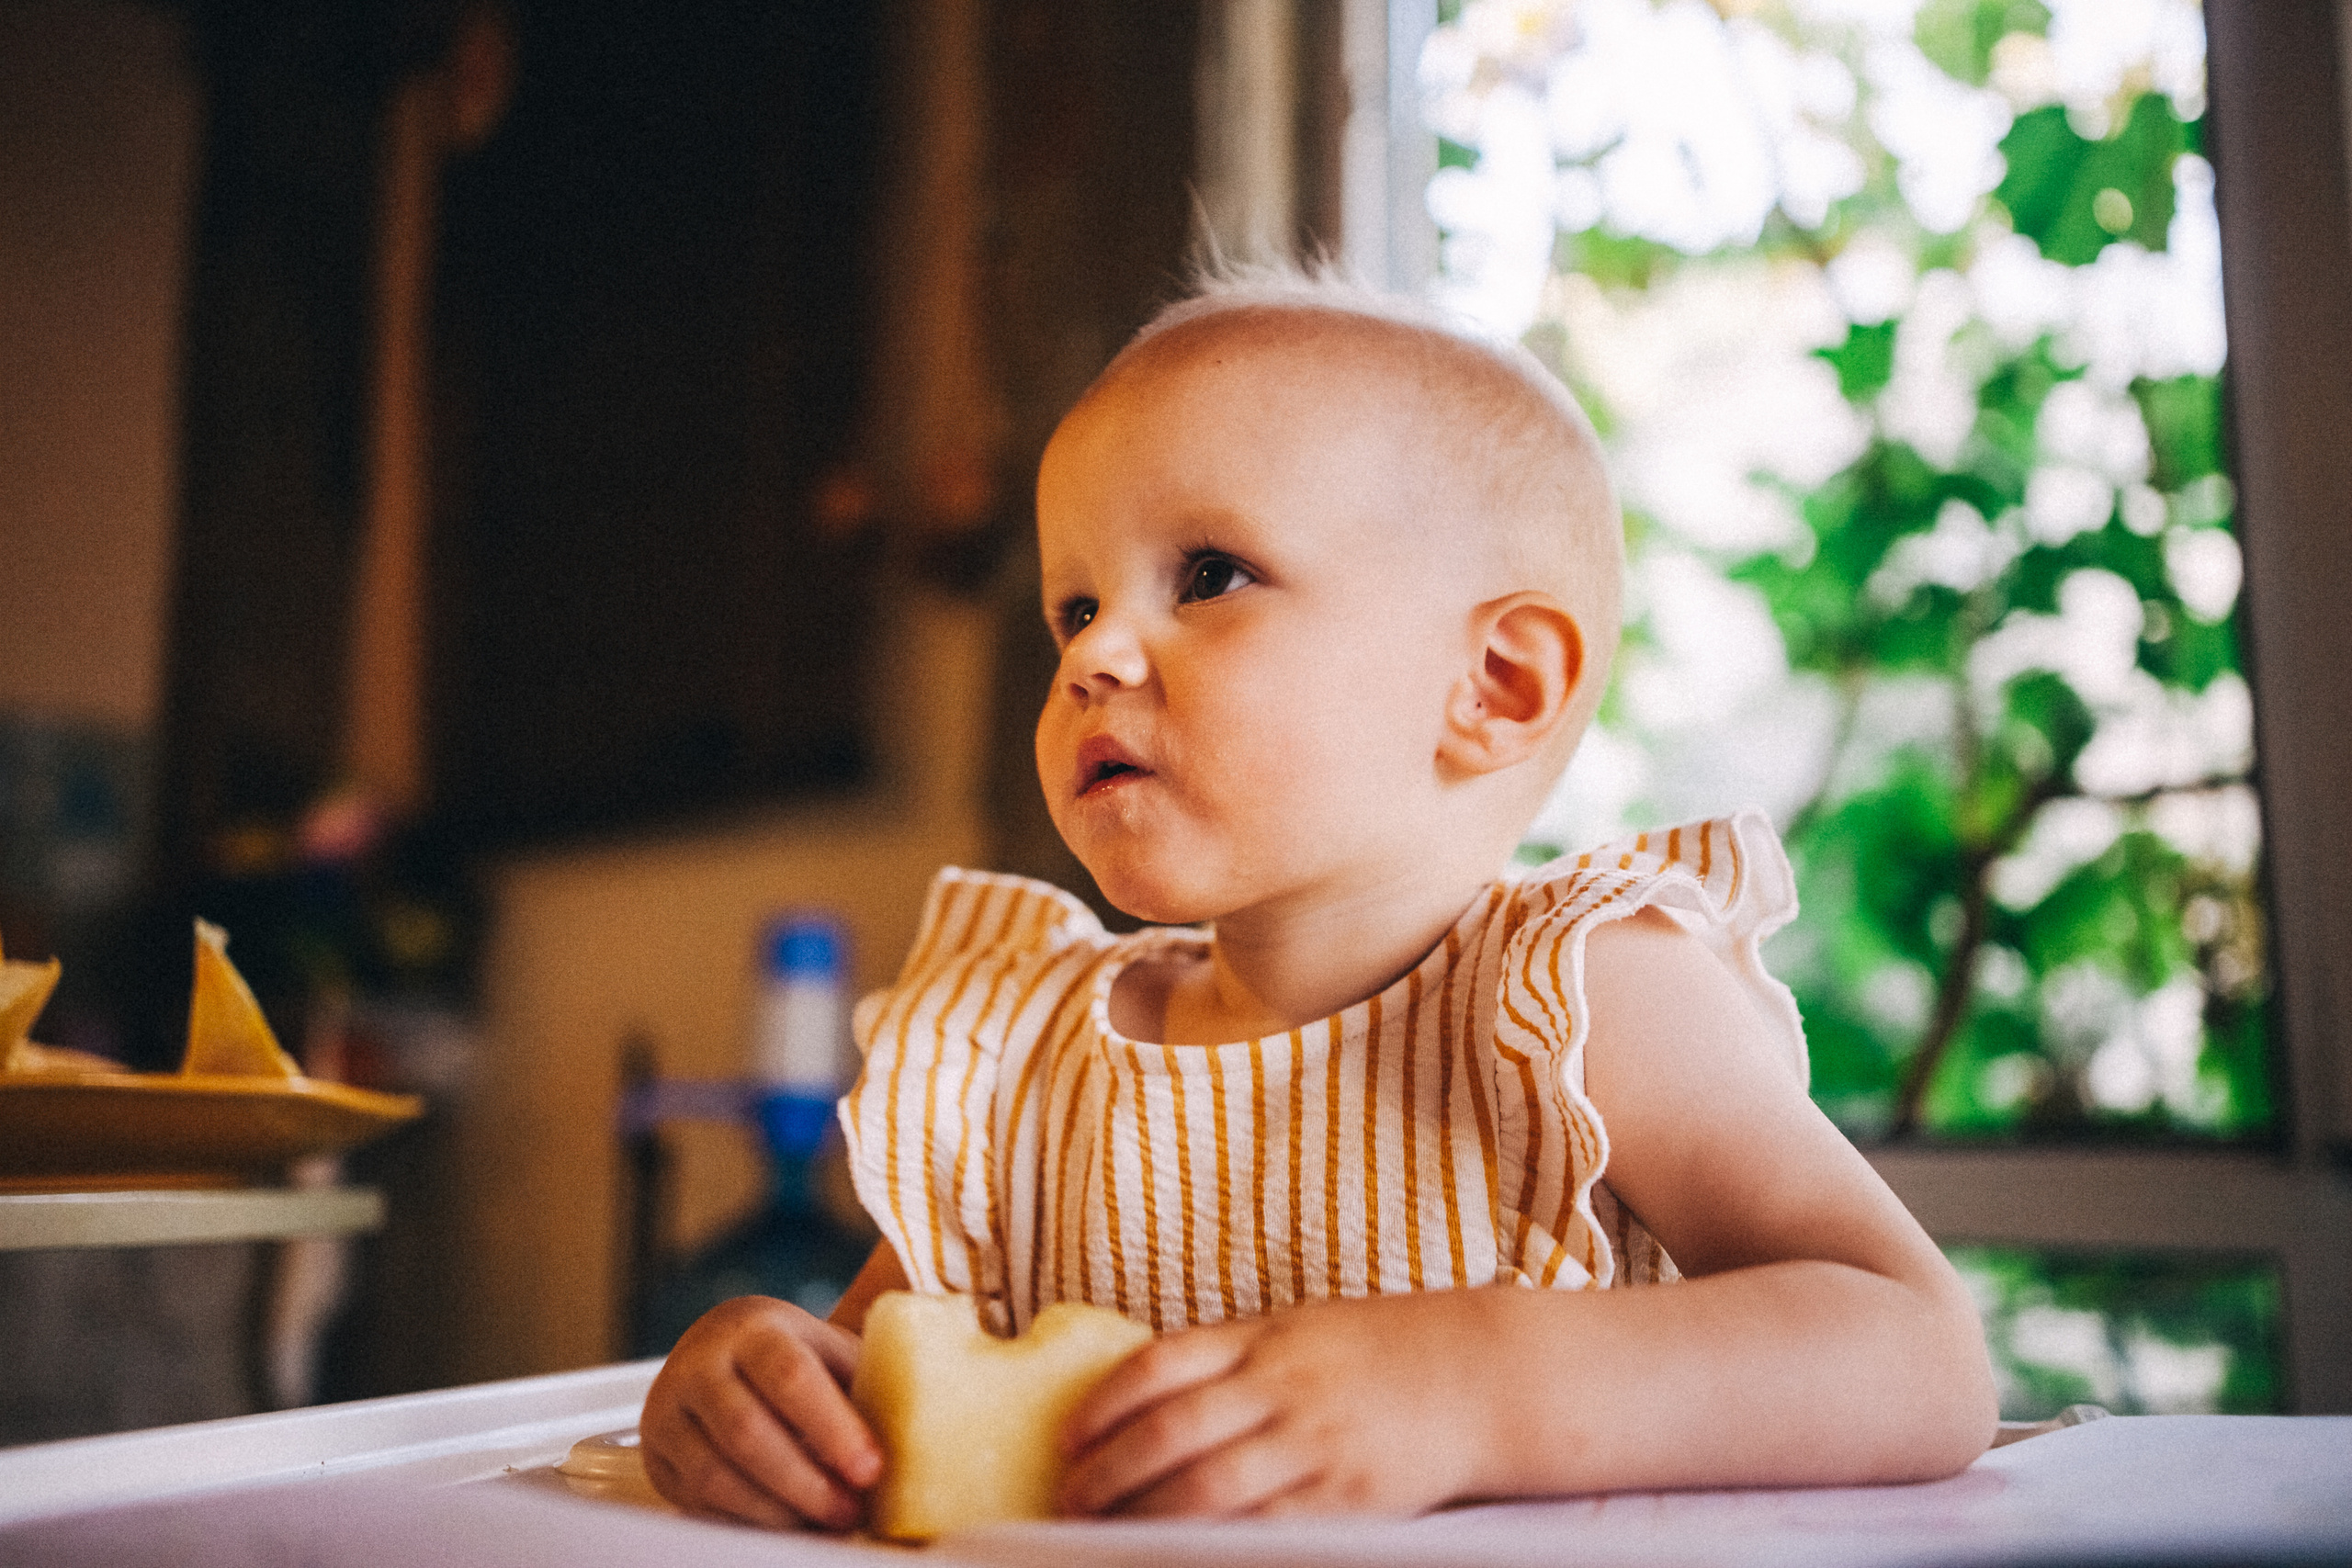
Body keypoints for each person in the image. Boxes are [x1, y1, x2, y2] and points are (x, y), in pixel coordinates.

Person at [639, 266, 1998, 1530]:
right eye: (1074, 608)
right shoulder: (1023, 1057)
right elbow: (871, 1384)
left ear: (1495, 688)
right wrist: (756, 1387)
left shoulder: (1582, 1001)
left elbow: (1918, 1351)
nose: (1093, 657)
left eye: (1209, 577)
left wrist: (1470, 1386)